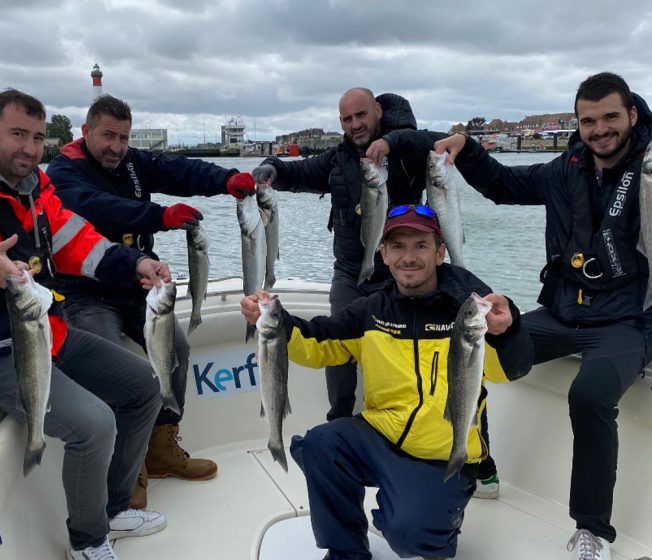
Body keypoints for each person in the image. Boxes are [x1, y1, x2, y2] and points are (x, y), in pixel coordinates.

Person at [0, 89, 172, 560]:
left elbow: (77, 242)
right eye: (17, 134)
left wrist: (135, 264)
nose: (29, 147)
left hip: (39, 330)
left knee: (144, 384)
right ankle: (87, 542)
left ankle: (111, 507)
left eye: (38, 137)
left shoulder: (35, 191)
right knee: (94, 424)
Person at [433, 71, 652, 560]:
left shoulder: (650, 171)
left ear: (632, 115)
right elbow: (504, 186)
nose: (600, 130)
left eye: (611, 117)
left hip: (625, 323)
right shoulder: (564, 169)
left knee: (590, 395)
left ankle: (591, 531)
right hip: (561, 312)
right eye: (589, 120)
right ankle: (480, 467)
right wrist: (466, 149)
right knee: (469, 346)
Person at [240, 205, 533, 560]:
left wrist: (508, 330)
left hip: (441, 453)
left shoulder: (466, 314)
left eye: (421, 245)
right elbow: (318, 343)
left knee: (414, 539)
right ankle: (347, 553)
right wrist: (276, 321)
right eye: (398, 246)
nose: (409, 257)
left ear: (440, 252)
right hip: (381, 434)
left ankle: (422, 514)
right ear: (384, 254)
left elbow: (511, 370)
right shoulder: (369, 310)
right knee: (320, 444)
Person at [251, 87, 502, 499]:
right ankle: (343, 430)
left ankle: (480, 458)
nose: (355, 125)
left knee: (459, 360)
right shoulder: (338, 159)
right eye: (347, 119)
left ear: (378, 112)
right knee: (338, 350)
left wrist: (392, 142)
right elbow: (299, 173)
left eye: (362, 116)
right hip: (351, 274)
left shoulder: (407, 150)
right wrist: (270, 169)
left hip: (403, 273)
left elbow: (432, 144)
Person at [47, 94, 256, 508]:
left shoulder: (131, 162)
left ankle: (161, 448)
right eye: (107, 135)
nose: (116, 146)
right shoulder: (62, 173)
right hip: (86, 292)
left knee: (176, 351)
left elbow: (181, 170)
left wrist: (226, 179)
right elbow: (96, 209)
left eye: (123, 138)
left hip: (138, 286)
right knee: (109, 367)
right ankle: (124, 471)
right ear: (85, 132)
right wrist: (157, 216)